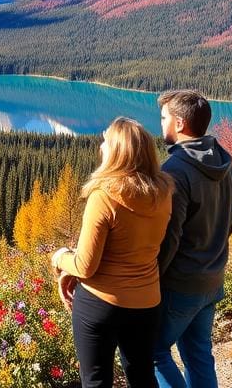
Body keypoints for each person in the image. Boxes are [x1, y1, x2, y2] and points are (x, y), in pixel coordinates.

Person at [51, 117, 174, 388]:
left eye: (106, 141)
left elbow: (85, 266)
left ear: (117, 151)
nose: (101, 145)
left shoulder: (104, 196)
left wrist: (60, 258)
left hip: (100, 303)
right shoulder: (164, 193)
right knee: (142, 376)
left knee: (96, 380)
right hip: (146, 302)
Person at [153, 90, 232, 388]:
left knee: (151, 351)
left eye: (163, 118)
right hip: (213, 279)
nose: (160, 124)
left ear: (179, 123)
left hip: (180, 285)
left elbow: (169, 239)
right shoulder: (228, 166)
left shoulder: (175, 172)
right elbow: (229, 223)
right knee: (198, 353)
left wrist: (151, 278)